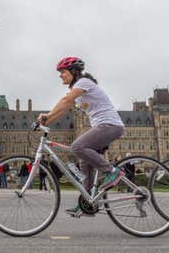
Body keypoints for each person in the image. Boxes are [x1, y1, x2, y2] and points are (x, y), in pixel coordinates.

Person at [37, 56, 125, 217]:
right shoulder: (76, 91)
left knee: (77, 147)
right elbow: (64, 109)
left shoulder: (83, 83)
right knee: (85, 162)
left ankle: (112, 172)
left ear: (73, 72)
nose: (60, 75)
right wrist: (46, 121)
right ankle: (87, 201)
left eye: (62, 72)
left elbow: (65, 101)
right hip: (102, 126)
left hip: (110, 125)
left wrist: (47, 114)